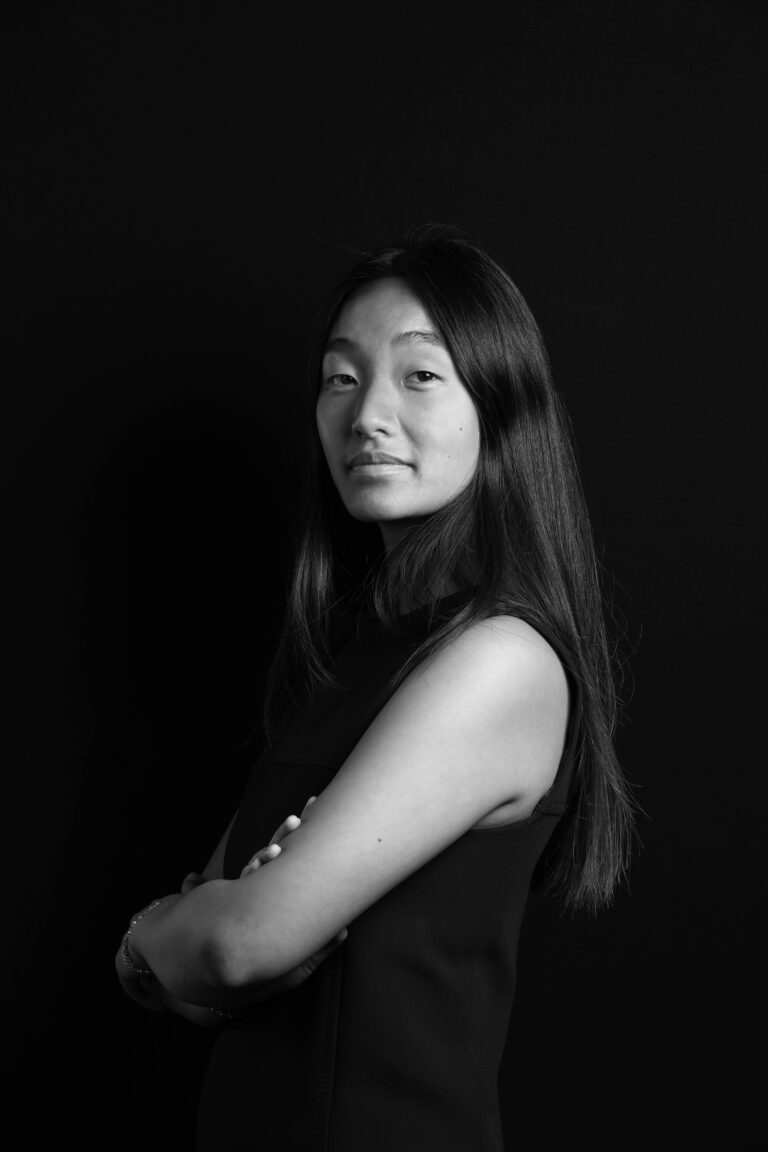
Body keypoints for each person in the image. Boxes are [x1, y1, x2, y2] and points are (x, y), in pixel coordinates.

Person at [115, 226, 634, 1151]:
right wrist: (193, 940)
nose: (367, 416)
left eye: (420, 374)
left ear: (501, 404)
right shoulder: (357, 652)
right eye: (340, 378)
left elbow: (235, 945)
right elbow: (201, 984)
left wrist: (145, 935)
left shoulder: (500, 658)